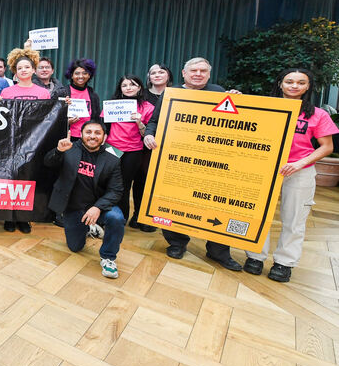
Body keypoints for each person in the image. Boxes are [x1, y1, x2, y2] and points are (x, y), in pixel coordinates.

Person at [144, 57, 243, 270]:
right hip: (177, 159)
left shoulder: (220, 93)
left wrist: (241, 103)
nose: (198, 74)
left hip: (212, 162)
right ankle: (177, 243)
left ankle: (218, 251)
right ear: (183, 73)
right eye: (194, 70)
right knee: (175, 201)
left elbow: (237, 122)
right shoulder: (171, 93)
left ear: (209, 73)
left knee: (216, 205)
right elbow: (154, 121)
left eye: (203, 71)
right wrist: (148, 135)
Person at [245, 68, 337, 282]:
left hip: (299, 171)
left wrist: (300, 163)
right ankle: (255, 256)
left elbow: (326, 147)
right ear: (280, 84)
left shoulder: (317, 114)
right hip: (264, 169)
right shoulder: (265, 109)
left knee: (294, 219)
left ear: (308, 87)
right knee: (256, 214)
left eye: (300, 82)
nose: (294, 86)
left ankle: (284, 263)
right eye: (289, 81)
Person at [44, 121, 125, 279]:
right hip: (74, 208)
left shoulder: (113, 158)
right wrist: (58, 151)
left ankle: (108, 257)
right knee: (75, 247)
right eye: (88, 132)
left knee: (116, 218)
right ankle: (91, 228)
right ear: (81, 134)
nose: (92, 136)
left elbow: (116, 190)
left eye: (97, 133)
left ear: (104, 137)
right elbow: (47, 163)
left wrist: (98, 207)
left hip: (98, 207)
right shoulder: (68, 148)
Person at [0, 48, 52, 233]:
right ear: (15, 71)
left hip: (33, 144)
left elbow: (49, 118)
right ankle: (8, 217)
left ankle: (23, 218)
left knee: (28, 180)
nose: (23, 70)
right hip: (11, 143)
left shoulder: (43, 93)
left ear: (33, 69)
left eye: (27, 67)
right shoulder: (6, 92)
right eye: (19, 68)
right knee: (10, 178)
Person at [104, 75, 156, 233]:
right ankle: (106, 215)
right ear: (120, 88)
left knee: (124, 185)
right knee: (109, 183)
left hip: (133, 150)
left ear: (140, 87)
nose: (128, 88)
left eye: (132, 84)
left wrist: (139, 122)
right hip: (111, 148)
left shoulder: (147, 107)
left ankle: (121, 219)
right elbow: (105, 127)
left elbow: (146, 133)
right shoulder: (112, 105)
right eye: (124, 85)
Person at [56, 58, 102, 140]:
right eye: (77, 73)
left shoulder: (93, 95)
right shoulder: (62, 93)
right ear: (71, 75)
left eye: (85, 73)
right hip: (67, 137)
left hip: (88, 138)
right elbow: (53, 119)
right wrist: (66, 122)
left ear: (89, 75)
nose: (81, 76)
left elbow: (97, 119)